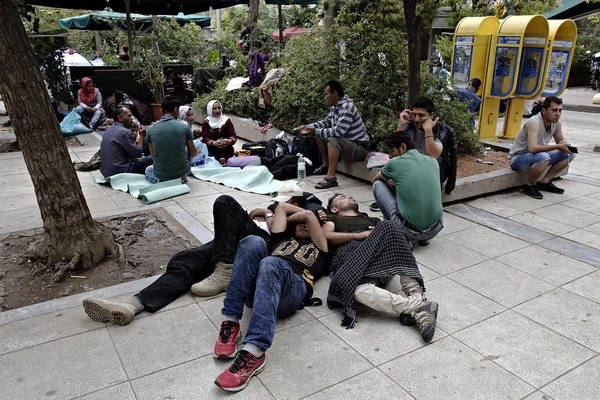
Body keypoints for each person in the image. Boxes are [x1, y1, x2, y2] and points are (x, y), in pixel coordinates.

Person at [81, 187, 326, 326]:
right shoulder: (274, 208)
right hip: (233, 242)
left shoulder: (304, 208)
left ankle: (227, 269)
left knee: (225, 201)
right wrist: (264, 211)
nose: (276, 202)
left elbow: (308, 219)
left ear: (294, 201)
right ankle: (133, 304)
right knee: (188, 261)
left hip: (258, 245)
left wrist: (270, 212)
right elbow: (252, 213)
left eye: (282, 200)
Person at [213, 202, 328, 392]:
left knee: (271, 262)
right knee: (253, 241)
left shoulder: (322, 249)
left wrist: (309, 217)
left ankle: (255, 352)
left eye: (311, 224)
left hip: (292, 291)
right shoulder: (281, 238)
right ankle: (231, 322)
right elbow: (282, 207)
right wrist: (270, 215)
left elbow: (308, 215)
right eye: (300, 223)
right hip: (261, 289)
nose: (305, 224)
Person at [324, 193, 438, 342]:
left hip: (381, 262)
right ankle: (416, 307)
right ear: (334, 209)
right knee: (354, 289)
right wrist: (360, 235)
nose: (349, 196)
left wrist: (379, 232)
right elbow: (325, 235)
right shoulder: (333, 219)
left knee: (391, 227)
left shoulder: (371, 220)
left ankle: (415, 296)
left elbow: (396, 240)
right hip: (354, 262)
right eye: (342, 198)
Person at [372, 132, 444, 246]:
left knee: (378, 185)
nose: (390, 156)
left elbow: (376, 179)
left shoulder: (395, 163)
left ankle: (394, 233)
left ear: (403, 147)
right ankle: (423, 238)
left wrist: (391, 182)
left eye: (391, 151)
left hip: (409, 231)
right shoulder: (432, 161)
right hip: (435, 228)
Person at [300, 81, 370, 189]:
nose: (325, 98)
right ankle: (325, 165)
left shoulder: (347, 107)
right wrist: (308, 127)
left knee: (333, 139)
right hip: (347, 144)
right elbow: (326, 122)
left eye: (326, 94)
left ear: (334, 94)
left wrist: (315, 130)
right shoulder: (335, 107)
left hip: (359, 148)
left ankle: (331, 177)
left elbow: (338, 132)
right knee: (319, 134)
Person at [508, 96, 575, 199]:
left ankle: (545, 182)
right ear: (544, 110)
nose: (558, 114)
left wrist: (565, 145)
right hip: (518, 158)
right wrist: (558, 146)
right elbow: (532, 148)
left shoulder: (556, 123)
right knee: (544, 156)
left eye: (560, 110)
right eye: (554, 110)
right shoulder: (535, 122)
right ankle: (530, 185)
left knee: (569, 153)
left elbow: (560, 140)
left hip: (536, 156)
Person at [145, 95, 197, 184]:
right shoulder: (185, 126)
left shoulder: (150, 129)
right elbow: (193, 153)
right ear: (175, 109)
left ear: (161, 111)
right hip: (182, 172)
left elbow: (153, 157)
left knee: (148, 170)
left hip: (161, 174)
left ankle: (164, 182)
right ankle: (180, 179)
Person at [99, 106, 153, 178]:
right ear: (120, 118)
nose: (131, 118)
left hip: (106, 172)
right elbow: (138, 152)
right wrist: (142, 135)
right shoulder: (125, 132)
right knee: (154, 157)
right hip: (121, 172)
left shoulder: (108, 129)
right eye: (129, 116)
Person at [201, 100, 237, 164]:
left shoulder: (226, 121)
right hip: (212, 149)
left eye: (219, 108)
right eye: (214, 109)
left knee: (228, 150)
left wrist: (229, 141)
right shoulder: (206, 122)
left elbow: (233, 136)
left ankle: (224, 159)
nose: (217, 111)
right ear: (210, 110)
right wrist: (214, 143)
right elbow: (205, 138)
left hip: (225, 147)